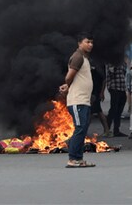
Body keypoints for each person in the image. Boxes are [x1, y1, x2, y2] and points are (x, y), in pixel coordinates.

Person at [58, 33, 95, 168]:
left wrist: (68, 85)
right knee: (80, 128)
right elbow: (69, 77)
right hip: (77, 101)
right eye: (87, 42)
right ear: (80, 43)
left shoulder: (84, 58)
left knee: (83, 129)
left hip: (84, 101)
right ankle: (72, 159)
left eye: (91, 42)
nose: (90, 44)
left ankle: (79, 159)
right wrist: (67, 85)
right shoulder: (78, 57)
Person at [105, 58, 127, 138]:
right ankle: (107, 129)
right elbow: (111, 72)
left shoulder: (122, 61)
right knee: (113, 109)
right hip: (114, 87)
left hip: (121, 87)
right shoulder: (111, 61)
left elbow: (124, 72)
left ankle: (116, 130)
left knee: (119, 110)